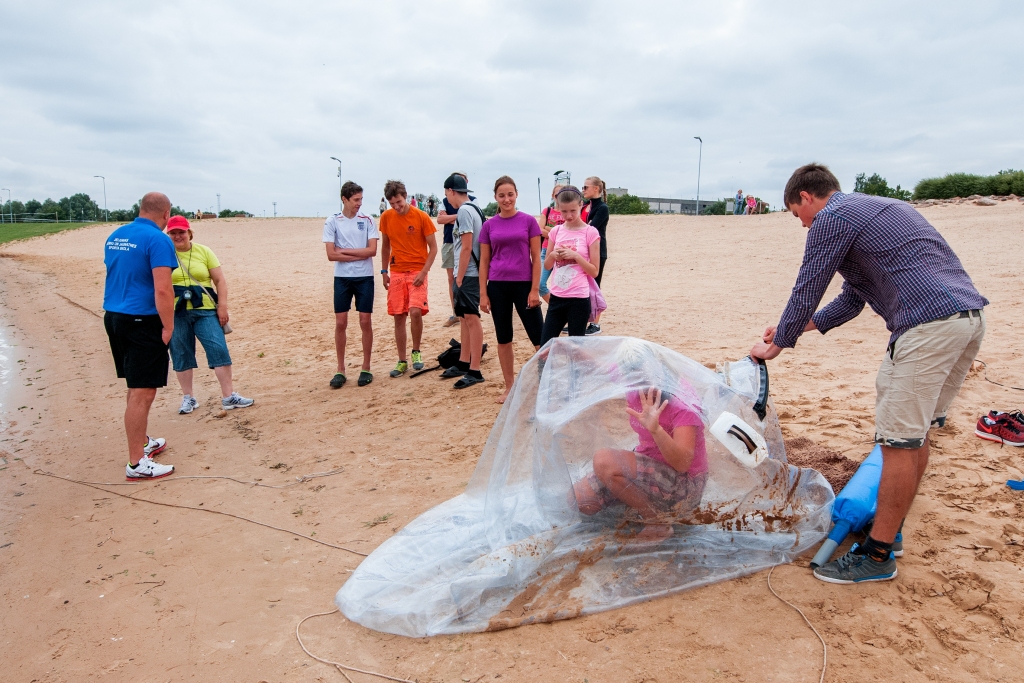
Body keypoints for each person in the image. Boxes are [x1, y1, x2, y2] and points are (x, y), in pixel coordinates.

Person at [751, 163, 988, 585]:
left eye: (796, 215)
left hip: (926, 326)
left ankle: (877, 556)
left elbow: (808, 283)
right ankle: (889, 533)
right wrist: (800, 326)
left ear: (807, 197)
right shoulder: (878, 208)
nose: (803, 226)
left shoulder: (832, 217)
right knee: (915, 436)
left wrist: (778, 343)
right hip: (965, 321)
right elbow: (851, 300)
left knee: (896, 442)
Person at [103, 192, 177, 480]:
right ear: (166, 214)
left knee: (135, 386)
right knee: (143, 391)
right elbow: (163, 288)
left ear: (140, 209)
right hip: (141, 319)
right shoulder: (158, 239)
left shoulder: (117, 234)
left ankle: (143, 441)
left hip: (115, 316)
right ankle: (137, 462)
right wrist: (169, 327)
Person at [166, 216, 254, 413]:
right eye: (173, 233)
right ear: (168, 234)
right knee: (181, 353)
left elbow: (220, 280)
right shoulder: (163, 253)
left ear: (189, 232)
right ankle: (188, 398)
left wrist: (222, 306)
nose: (178, 236)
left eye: (181, 232)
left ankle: (228, 395)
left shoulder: (204, 251)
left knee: (218, 348)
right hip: (176, 311)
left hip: (205, 309)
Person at [478, 175, 543, 403]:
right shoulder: (489, 225)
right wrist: (483, 294)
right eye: (502, 195)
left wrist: (535, 289)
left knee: (540, 338)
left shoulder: (528, 222)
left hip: (524, 285)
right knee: (504, 338)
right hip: (497, 286)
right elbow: (484, 261)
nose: (507, 199)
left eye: (510, 194)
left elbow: (536, 257)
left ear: (516, 195)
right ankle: (509, 387)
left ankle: (547, 385)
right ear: (495, 197)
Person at [379, 180, 438, 377]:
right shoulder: (387, 217)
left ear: (406, 196)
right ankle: (402, 360)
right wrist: (384, 270)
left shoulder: (421, 216)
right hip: (396, 271)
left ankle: (416, 352)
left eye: (399, 201)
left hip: (417, 271)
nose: (396, 206)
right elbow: (386, 246)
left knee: (415, 312)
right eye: (392, 203)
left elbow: (433, 248)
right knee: (398, 315)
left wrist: (424, 272)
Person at [324, 181, 379, 389]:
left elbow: (371, 251)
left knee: (365, 321)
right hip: (342, 278)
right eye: (356, 200)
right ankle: (340, 369)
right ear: (344, 199)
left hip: (365, 277)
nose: (359, 203)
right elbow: (331, 255)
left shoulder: (368, 220)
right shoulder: (332, 221)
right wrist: (358, 252)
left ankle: (366, 367)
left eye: (361, 199)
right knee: (341, 323)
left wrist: (344, 252)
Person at [539, 186, 600, 345]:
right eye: (564, 211)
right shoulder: (556, 231)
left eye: (573, 210)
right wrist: (552, 255)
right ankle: (544, 371)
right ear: (558, 208)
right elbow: (547, 266)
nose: (569, 215)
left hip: (578, 299)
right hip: (557, 297)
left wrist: (576, 256)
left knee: (576, 348)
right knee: (545, 344)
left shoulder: (590, 232)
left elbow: (594, 271)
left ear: (581, 205)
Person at [442, 173, 485, 389]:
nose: (447, 199)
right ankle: (464, 361)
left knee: (471, 317)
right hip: (469, 272)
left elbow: (467, 246)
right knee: (464, 317)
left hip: (469, 273)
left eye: (447, 194)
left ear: (450, 191)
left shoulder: (465, 211)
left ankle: (474, 369)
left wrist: (458, 277)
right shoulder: (473, 208)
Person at [437, 173, 472, 328]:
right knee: (451, 279)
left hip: (461, 243)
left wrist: (452, 217)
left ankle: (465, 312)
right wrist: (457, 216)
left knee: (463, 279)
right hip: (449, 242)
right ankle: (456, 313)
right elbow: (439, 219)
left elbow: (466, 246)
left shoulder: (470, 203)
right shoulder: (446, 201)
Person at [583, 176, 609, 335]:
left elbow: (590, 228)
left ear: (596, 189)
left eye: (586, 187)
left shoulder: (602, 208)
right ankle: (584, 320)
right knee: (584, 287)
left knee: (595, 286)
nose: (583, 190)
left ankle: (595, 324)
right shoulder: (587, 206)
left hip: (598, 251)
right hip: (587, 250)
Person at [537, 185, 565, 304]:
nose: (558, 197)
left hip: (563, 252)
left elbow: (570, 232)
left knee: (563, 286)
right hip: (546, 251)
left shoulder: (568, 212)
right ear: (552, 195)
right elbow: (539, 230)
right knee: (540, 284)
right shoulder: (547, 211)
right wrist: (557, 234)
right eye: (556, 194)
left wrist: (549, 229)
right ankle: (556, 307)